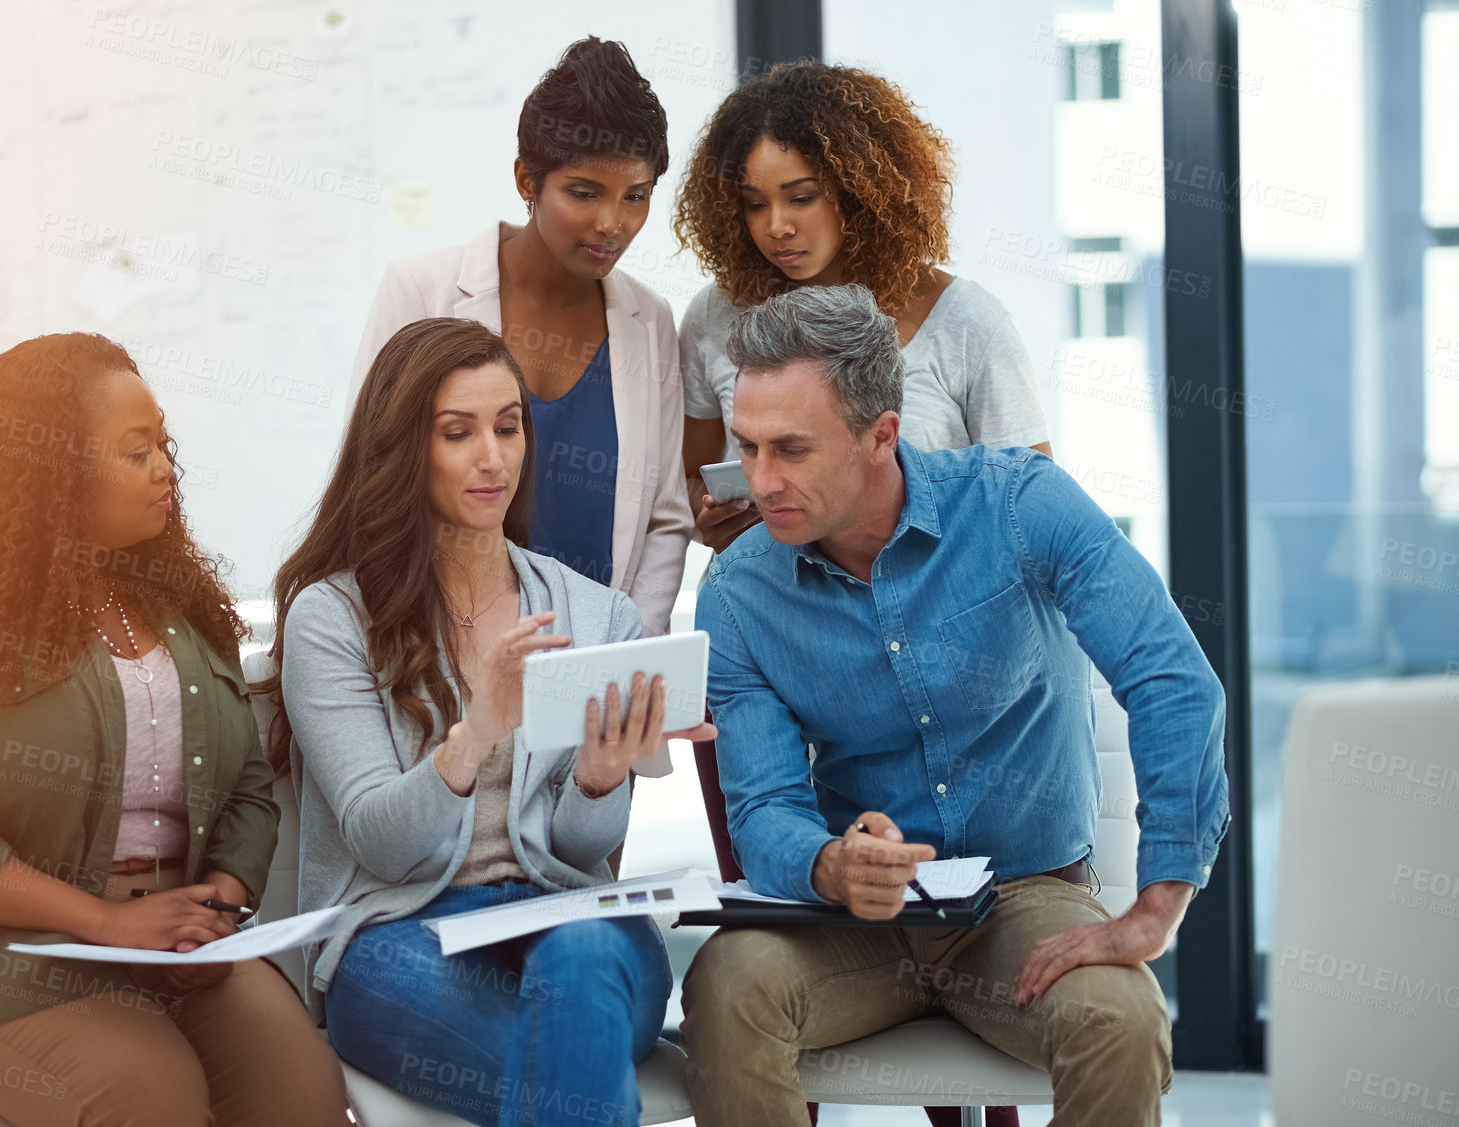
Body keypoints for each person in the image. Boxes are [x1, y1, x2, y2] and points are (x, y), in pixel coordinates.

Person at [678, 286, 1230, 1127]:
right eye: (748, 448)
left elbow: (1171, 679)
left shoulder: (1019, 505)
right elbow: (763, 806)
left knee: (1119, 1019)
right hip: (854, 924)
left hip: (1024, 902)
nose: (761, 481)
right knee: (725, 983)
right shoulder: (739, 592)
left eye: (790, 449)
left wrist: (1159, 904)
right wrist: (829, 862)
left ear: (882, 435)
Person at [0, 333, 347, 1126]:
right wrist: (108, 921)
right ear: (51, 469)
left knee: (304, 1091)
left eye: (164, 443)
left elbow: (249, 787)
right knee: (147, 1097)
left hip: (170, 939)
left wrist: (217, 897)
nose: (165, 467)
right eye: (135, 450)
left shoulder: (177, 601)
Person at [273, 318, 713, 1127]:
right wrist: (474, 734)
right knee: (575, 1066)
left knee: (581, 972)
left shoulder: (596, 613)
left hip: (571, 922)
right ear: (405, 447)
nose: (493, 457)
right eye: (458, 432)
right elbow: (380, 842)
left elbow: (583, 851)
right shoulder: (332, 616)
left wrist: (599, 777)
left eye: (509, 426)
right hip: (402, 933)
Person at [351, 38, 691, 713]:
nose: (611, 223)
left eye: (636, 196)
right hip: (437, 676)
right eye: (585, 192)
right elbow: (373, 480)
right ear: (526, 180)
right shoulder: (422, 290)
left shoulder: (648, 321)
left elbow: (664, 519)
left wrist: (627, 665)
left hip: (590, 695)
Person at [674, 60, 1052, 555]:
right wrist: (714, 515)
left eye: (802, 197)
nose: (777, 226)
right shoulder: (715, 315)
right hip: (769, 609)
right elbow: (688, 479)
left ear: (858, 190)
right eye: (755, 203)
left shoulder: (967, 324)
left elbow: (1035, 509)